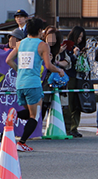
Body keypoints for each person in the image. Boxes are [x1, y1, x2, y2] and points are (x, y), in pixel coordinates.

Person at [6, 19, 66, 151]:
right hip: (33, 83)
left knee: (30, 112)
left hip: (20, 84)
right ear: (40, 31)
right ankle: (21, 142)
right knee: (35, 115)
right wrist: (60, 70)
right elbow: (49, 65)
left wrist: (19, 70)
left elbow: (8, 59)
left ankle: (14, 115)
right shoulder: (42, 45)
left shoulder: (20, 43)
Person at [40, 26, 70, 120]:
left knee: (55, 105)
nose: (51, 40)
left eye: (53, 38)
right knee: (43, 105)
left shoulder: (60, 50)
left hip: (57, 80)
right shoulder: (42, 47)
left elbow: (67, 63)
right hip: (44, 80)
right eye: (49, 38)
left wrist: (57, 61)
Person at [62, 26, 87, 137]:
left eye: (82, 37)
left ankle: (74, 127)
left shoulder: (82, 47)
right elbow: (67, 63)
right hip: (70, 77)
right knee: (69, 103)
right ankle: (68, 128)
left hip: (80, 78)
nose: (80, 39)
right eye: (78, 36)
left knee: (78, 103)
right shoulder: (67, 47)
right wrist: (74, 54)